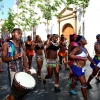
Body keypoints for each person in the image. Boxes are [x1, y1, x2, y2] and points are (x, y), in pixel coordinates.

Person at [2, 28, 29, 100]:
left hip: (21, 71)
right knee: (16, 93)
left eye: (21, 33)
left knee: (22, 92)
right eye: (18, 33)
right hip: (12, 72)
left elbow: (24, 58)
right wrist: (13, 57)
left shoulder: (22, 45)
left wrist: (26, 68)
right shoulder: (7, 44)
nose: (20, 35)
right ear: (12, 33)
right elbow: (3, 58)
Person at [69, 35, 98, 100]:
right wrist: (80, 57)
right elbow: (70, 55)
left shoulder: (85, 49)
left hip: (81, 68)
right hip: (77, 67)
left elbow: (89, 57)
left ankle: (71, 89)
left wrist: (95, 64)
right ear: (80, 41)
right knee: (84, 83)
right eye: (84, 39)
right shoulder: (77, 48)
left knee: (75, 79)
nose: (86, 40)